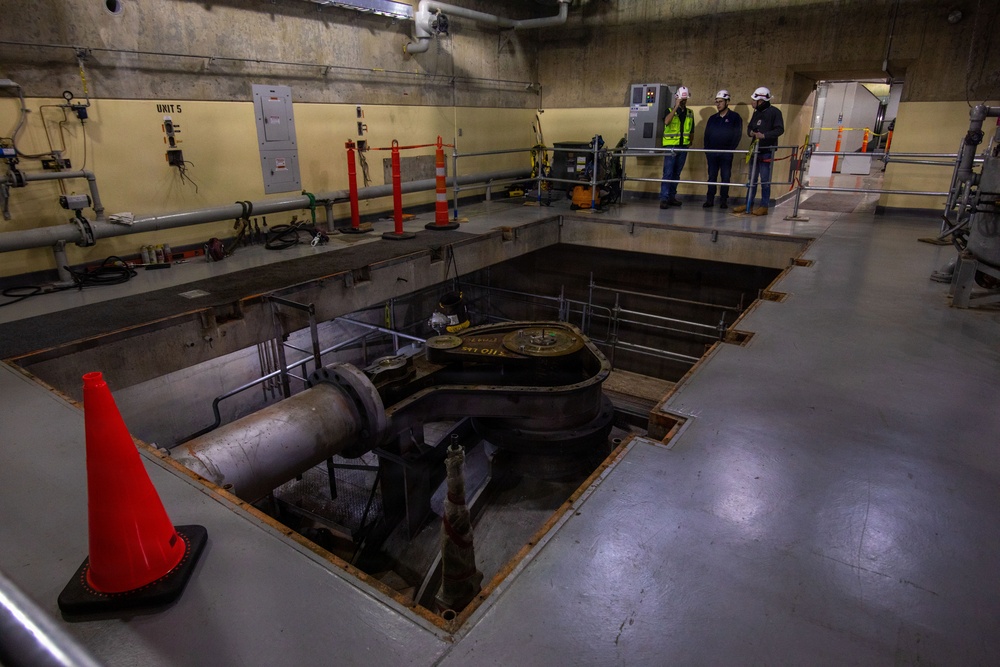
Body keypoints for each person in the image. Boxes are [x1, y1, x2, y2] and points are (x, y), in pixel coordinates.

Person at [733, 86, 784, 216]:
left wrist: (764, 135)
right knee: (752, 179)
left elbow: (779, 129)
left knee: (765, 180)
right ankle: (748, 203)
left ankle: (764, 206)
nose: (752, 102)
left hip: (766, 151)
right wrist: (751, 132)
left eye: (754, 100)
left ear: (761, 101)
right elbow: (750, 127)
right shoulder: (756, 113)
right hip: (755, 150)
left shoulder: (775, 112)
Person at [702, 89, 743, 209]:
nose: (718, 104)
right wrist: (707, 150)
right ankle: (710, 199)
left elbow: (737, 135)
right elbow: (707, 135)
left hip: (726, 153)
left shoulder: (735, 117)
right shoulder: (712, 118)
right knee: (712, 176)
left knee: (725, 177)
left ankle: (723, 200)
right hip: (712, 153)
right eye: (717, 102)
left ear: (727, 102)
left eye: (720, 102)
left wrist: (730, 149)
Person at [659, 86, 694, 209]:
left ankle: (672, 197)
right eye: (681, 99)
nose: (683, 101)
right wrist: (676, 107)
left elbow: (692, 130)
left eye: (685, 99)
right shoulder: (669, 110)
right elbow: (667, 121)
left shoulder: (690, 113)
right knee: (668, 173)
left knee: (676, 173)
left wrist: (690, 142)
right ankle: (664, 198)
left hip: (683, 147)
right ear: (677, 98)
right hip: (671, 146)